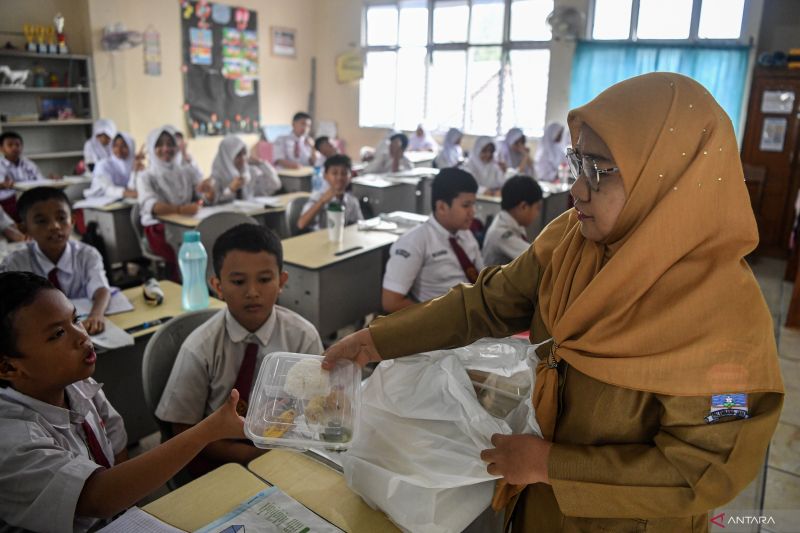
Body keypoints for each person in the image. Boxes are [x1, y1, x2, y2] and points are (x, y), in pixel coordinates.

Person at [321, 73, 784, 532]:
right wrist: (378, 340)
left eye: (600, 170)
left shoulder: (724, 321)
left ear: (669, 179)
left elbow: (704, 469)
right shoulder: (572, 239)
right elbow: (486, 303)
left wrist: (552, 465)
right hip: (534, 505)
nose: (577, 189)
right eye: (577, 163)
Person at [0, 271, 246, 532]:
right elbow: (97, 499)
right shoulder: (10, 438)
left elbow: (117, 449)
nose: (82, 336)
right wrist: (207, 431)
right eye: (58, 333)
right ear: (7, 367)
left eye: (76, 319)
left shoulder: (78, 385)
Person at [156, 224, 322, 475]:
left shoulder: (303, 338)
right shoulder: (199, 348)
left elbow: (315, 406)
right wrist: (251, 456)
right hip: (218, 463)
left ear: (281, 282)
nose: (252, 292)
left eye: (265, 279)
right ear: (218, 286)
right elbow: (182, 429)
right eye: (238, 281)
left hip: (288, 453)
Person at [0, 187, 111, 335]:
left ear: (72, 220)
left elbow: (101, 289)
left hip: (82, 328)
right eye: (41, 221)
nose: (55, 226)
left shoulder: (87, 254)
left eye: (61, 218)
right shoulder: (15, 264)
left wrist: (96, 314)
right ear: (24, 228)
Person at [381, 168, 483, 313]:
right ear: (441, 207)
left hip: (473, 312)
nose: (472, 212)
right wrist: (436, 317)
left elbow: (481, 279)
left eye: (473, 204)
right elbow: (391, 302)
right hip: (442, 319)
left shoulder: (466, 235)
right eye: (466, 205)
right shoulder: (415, 241)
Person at [136, 126, 208, 280]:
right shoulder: (146, 176)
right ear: (151, 148)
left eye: (170, 144)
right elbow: (153, 207)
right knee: (187, 249)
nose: (166, 149)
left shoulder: (186, 171)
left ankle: (207, 282)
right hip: (158, 228)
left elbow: (202, 194)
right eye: (159, 145)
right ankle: (184, 284)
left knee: (209, 237)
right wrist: (181, 209)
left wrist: (207, 192)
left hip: (187, 224)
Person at [482, 176, 542, 266]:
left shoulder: (513, 221)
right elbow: (536, 257)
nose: (537, 214)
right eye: (537, 208)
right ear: (523, 207)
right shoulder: (501, 233)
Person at [207, 135, 281, 204]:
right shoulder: (216, 177)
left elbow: (275, 185)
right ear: (227, 157)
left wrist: (261, 163)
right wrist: (230, 189)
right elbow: (214, 203)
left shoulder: (249, 173)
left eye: (244, 153)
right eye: (238, 155)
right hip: (226, 217)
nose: (243, 159)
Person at [297, 154, 363, 232]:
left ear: (350, 176)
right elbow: (301, 224)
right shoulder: (318, 196)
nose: (339, 177)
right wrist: (322, 201)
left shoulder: (352, 200)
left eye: (344, 173)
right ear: (325, 176)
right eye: (334, 173)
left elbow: (360, 225)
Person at [0, 131, 47, 221]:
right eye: (10, 145)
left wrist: (50, 180)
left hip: (27, 199)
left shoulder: (28, 163)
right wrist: (3, 185)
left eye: (18, 145)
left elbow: (41, 180)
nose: (15, 148)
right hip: (7, 202)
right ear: (1, 148)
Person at [85, 132, 142, 199]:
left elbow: (133, 188)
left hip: (125, 202)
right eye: (115, 146)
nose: (119, 150)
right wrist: (129, 193)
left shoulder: (135, 164)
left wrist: (134, 171)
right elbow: (107, 190)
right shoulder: (103, 165)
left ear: (131, 147)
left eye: (123, 146)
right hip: (100, 204)